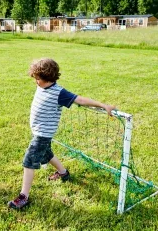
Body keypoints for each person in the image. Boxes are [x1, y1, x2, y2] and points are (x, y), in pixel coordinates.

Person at [8, 58, 116, 210]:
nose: (35, 81)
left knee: (29, 161)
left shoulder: (59, 93)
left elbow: (81, 100)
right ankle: (63, 173)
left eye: (38, 79)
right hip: (39, 131)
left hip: (42, 134)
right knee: (47, 154)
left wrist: (103, 105)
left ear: (47, 78)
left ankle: (23, 196)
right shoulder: (41, 86)